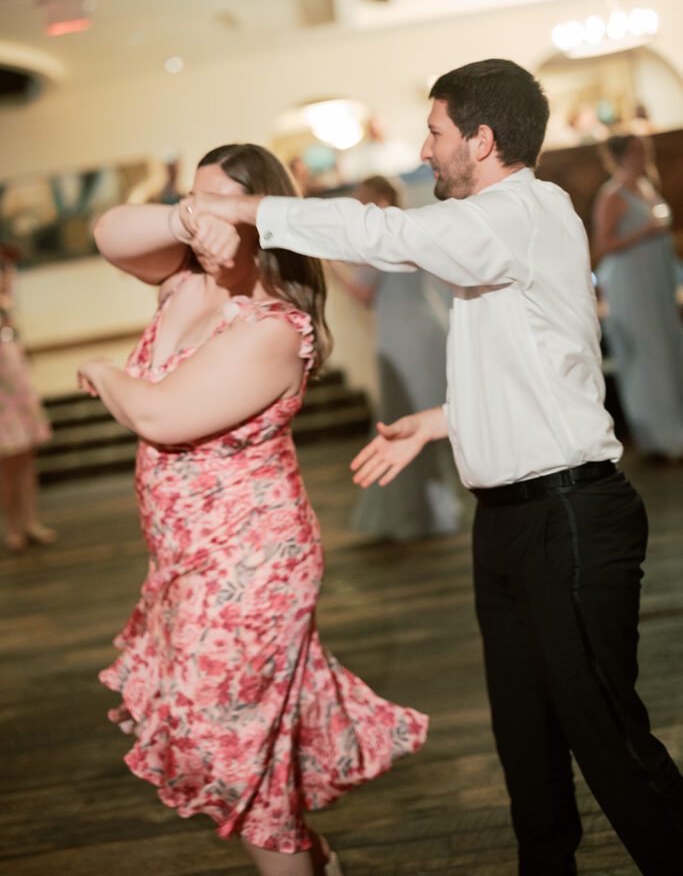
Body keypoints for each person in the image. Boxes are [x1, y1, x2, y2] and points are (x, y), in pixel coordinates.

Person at [186, 62, 683, 876]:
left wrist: (245, 209)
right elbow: (542, 366)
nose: (424, 150)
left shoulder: (520, 210)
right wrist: (442, 420)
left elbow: (386, 238)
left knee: (609, 743)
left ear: (480, 141)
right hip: (512, 521)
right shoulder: (498, 227)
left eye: (435, 133)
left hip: (567, 521)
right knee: (525, 743)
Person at [78, 144, 428, 876]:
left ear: (261, 215)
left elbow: (160, 416)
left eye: (220, 203)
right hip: (182, 561)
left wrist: (106, 373)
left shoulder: (274, 328)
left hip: (250, 567)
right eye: (192, 199)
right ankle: (309, 856)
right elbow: (107, 232)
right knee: (236, 749)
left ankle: (300, 857)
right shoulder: (182, 281)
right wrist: (184, 218)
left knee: (224, 743)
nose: (201, 216)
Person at [329, 175, 461, 542]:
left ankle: (416, 512)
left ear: (381, 199)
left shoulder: (386, 234)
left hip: (405, 338)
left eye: (363, 200)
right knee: (415, 416)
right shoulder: (407, 228)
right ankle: (427, 509)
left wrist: (329, 264)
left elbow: (362, 292)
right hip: (423, 329)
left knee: (405, 418)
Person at [593, 134, 683, 460]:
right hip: (631, 284)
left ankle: (676, 427)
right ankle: (659, 438)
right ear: (621, 155)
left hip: (657, 281)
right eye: (636, 150)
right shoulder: (612, 195)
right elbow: (604, 244)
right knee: (647, 356)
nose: (644, 154)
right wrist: (644, 232)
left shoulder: (647, 185)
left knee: (669, 351)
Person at [0, 243, 55, 553]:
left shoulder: (8, 304)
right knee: (6, 465)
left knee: (26, 460)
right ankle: (14, 526)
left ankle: (31, 521)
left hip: (17, 386)